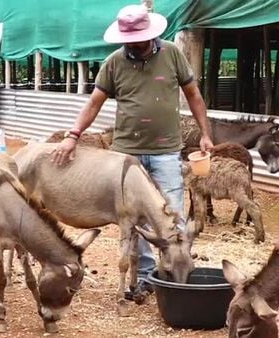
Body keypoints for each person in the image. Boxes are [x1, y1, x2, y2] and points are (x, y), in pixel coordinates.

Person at [51, 4, 214, 298]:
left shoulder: (172, 54)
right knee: (134, 218)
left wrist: (205, 134)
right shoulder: (114, 62)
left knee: (173, 212)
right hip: (126, 155)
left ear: (150, 33)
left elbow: (193, 95)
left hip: (166, 152)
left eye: (138, 37)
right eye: (129, 38)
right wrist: (73, 135)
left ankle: (178, 266)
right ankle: (147, 273)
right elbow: (93, 104)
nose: (133, 43)